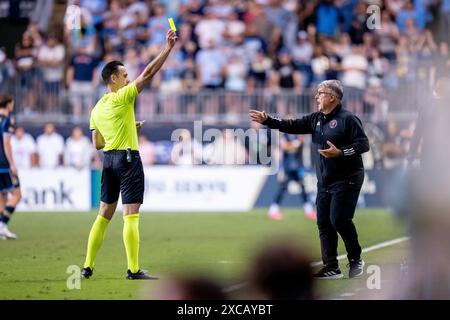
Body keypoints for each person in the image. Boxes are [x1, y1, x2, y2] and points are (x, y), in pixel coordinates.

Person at [81, 29, 178, 280]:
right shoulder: (122, 97)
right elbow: (148, 73)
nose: (128, 78)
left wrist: (125, 128)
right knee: (131, 215)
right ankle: (133, 270)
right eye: (124, 75)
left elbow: (98, 143)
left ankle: (87, 265)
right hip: (127, 159)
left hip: (109, 160)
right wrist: (167, 48)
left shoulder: (96, 108)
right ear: (113, 79)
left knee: (103, 214)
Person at [250, 80, 370, 279]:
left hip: (348, 178)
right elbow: (291, 125)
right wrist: (268, 120)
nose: (316, 97)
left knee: (339, 219)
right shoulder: (316, 119)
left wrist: (340, 152)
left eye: (320, 93)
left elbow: (363, 144)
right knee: (323, 222)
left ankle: (356, 259)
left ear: (332, 97)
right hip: (325, 180)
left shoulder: (348, 118)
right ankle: (331, 267)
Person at [268, 119, 316, 221]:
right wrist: (295, 144)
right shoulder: (285, 136)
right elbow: (285, 147)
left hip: (297, 167)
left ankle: (309, 211)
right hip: (288, 167)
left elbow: (301, 142)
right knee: (283, 188)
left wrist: (295, 143)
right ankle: (273, 210)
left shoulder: (297, 135)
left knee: (302, 187)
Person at [0, 95, 21, 240]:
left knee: (2, 195)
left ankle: (3, 229)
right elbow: (6, 143)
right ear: (8, 104)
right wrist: (12, 163)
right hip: (3, 163)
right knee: (17, 193)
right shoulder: (6, 120)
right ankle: (2, 225)